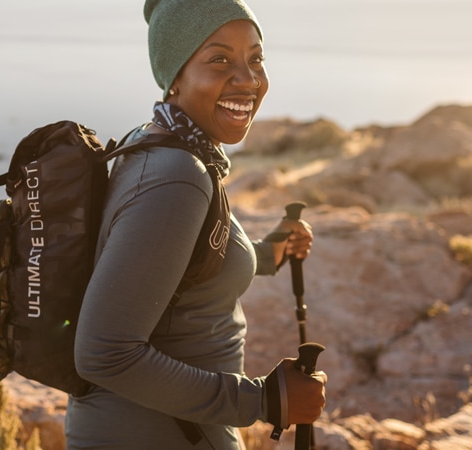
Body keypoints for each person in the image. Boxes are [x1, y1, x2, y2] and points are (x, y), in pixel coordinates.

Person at [66, 0, 327, 448]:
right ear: (176, 76)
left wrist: (267, 253)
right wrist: (265, 400)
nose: (248, 80)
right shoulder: (179, 176)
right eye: (219, 59)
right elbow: (103, 354)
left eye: (256, 58)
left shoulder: (157, 143)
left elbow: (175, 259)